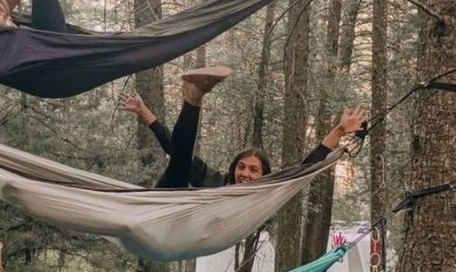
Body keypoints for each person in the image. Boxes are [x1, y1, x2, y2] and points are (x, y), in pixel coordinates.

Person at [119, 66, 365, 189]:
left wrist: (340, 131)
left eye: (253, 170)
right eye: (242, 166)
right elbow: (175, 148)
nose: (245, 173)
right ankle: (194, 98)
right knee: (180, 163)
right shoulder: (214, 180)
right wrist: (144, 112)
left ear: (264, 175)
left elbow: (304, 168)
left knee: (181, 161)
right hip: (164, 209)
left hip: (184, 231)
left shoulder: (265, 191)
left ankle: (194, 99)